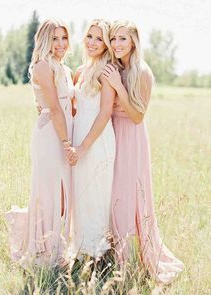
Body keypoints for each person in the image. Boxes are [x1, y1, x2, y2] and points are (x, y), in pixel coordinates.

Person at [103, 20, 184, 284]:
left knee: (128, 195)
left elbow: (138, 116)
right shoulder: (113, 67)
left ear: (134, 42)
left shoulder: (143, 73)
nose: (116, 44)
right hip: (111, 134)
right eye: (113, 39)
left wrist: (119, 87)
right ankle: (109, 254)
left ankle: (129, 261)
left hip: (131, 137)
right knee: (111, 194)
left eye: (122, 39)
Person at [6, 19, 75, 267]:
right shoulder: (43, 66)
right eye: (54, 38)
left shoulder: (64, 69)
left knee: (64, 196)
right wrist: (67, 143)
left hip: (64, 133)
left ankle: (58, 248)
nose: (60, 43)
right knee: (49, 193)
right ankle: (43, 251)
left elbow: (68, 107)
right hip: (51, 137)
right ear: (45, 40)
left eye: (64, 38)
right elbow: (54, 108)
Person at [68, 19, 116, 259]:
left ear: (107, 44)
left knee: (96, 193)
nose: (93, 43)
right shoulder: (79, 71)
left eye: (99, 38)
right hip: (79, 134)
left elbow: (106, 112)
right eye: (90, 36)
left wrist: (84, 147)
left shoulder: (107, 71)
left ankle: (99, 255)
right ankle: (80, 249)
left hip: (97, 140)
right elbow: (76, 109)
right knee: (80, 193)